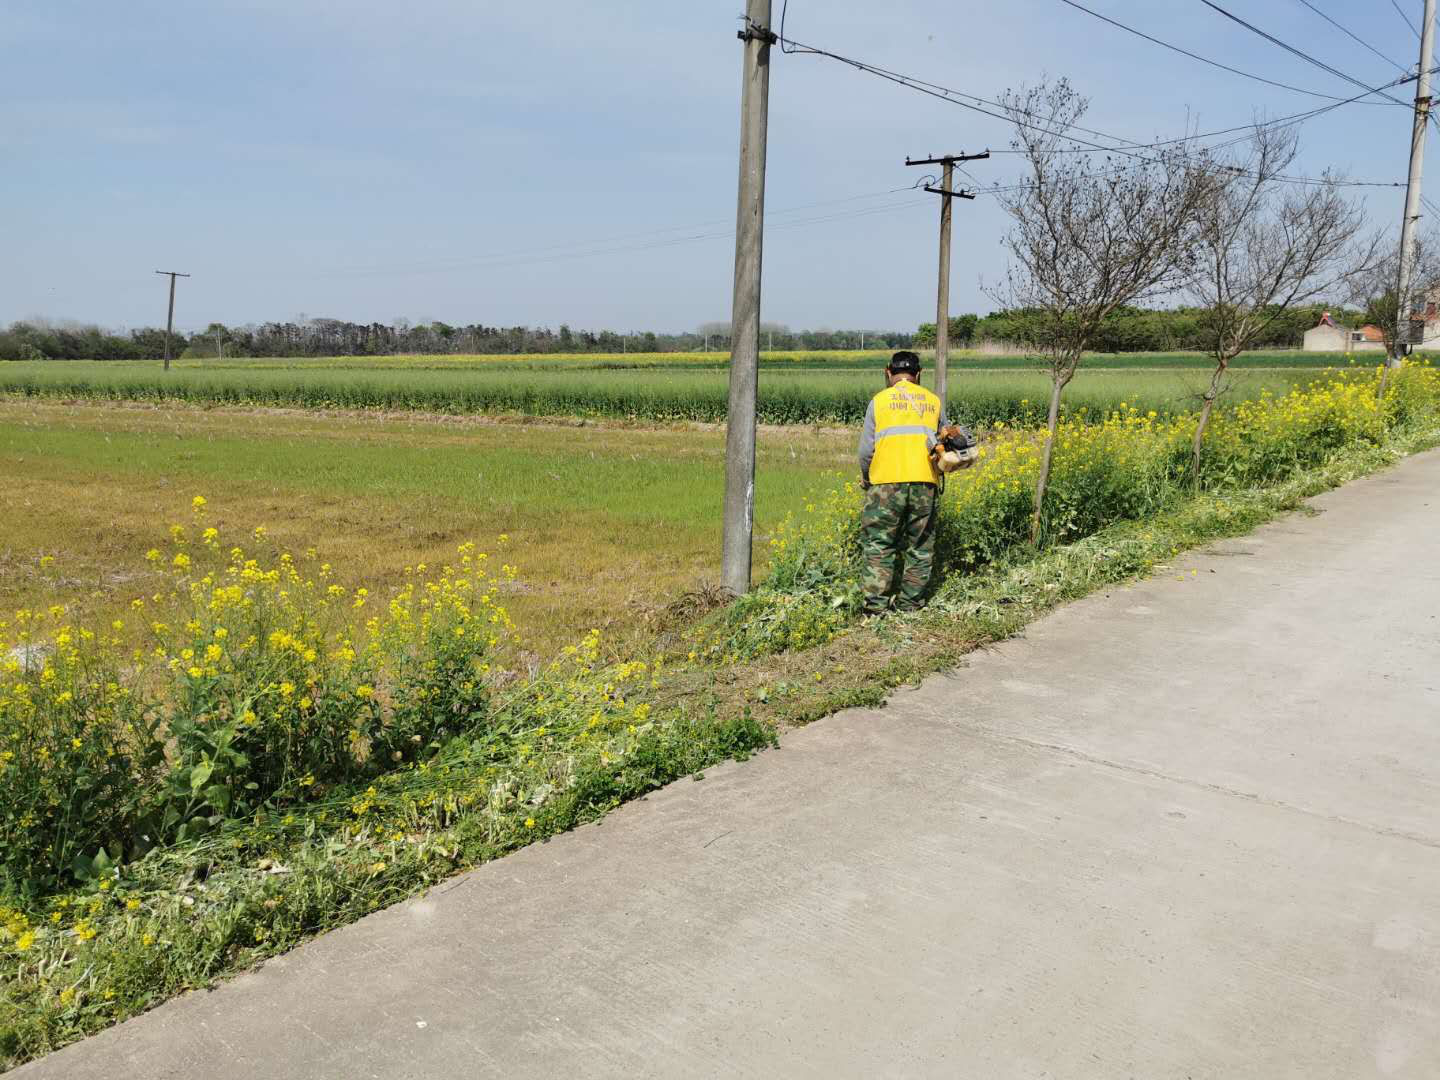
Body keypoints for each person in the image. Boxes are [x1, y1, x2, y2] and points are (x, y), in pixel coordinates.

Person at [855, 351, 959, 615]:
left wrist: (867, 477)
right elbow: (944, 443)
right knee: (920, 546)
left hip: (885, 484)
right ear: (919, 374)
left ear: (888, 372)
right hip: (924, 482)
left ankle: (876, 608)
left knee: (879, 543)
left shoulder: (878, 401)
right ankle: (910, 605)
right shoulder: (933, 402)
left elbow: (866, 451)